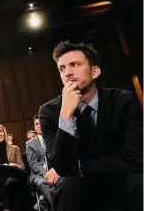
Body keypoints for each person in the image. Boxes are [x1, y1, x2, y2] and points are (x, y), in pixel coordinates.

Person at [39, 41, 143, 211]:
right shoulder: (49, 111)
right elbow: (61, 165)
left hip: (119, 177)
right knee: (66, 185)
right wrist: (66, 115)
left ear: (95, 71)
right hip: (80, 184)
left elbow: (137, 157)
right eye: (62, 69)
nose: (68, 73)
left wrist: (80, 167)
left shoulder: (122, 100)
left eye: (75, 65)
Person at [0, 124, 25, 211]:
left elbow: (22, 166)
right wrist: (3, 167)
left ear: (4, 132)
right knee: (8, 180)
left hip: (15, 176)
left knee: (11, 181)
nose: (0, 134)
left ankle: (1, 202)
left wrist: (10, 165)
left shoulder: (15, 148)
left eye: (1, 131)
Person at [25, 115, 54, 208]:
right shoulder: (30, 144)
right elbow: (33, 163)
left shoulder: (53, 139)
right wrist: (45, 173)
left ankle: (44, 201)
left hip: (55, 172)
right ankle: (58, 206)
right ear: (34, 127)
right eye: (37, 124)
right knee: (43, 183)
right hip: (39, 175)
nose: (40, 125)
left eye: (41, 123)